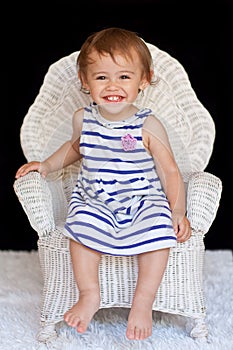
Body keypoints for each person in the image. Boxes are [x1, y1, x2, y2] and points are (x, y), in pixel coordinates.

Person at [15, 27, 191, 341]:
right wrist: (46, 165)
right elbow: (74, 148)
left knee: (160, 229)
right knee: (78, 226)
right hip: (95, 198)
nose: (113, 86)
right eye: (101, 78)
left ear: (143, 80)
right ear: (85, 81)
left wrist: (177, 210)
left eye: (124, 77)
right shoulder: (83, 118)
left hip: (141, 198)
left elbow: (170, 171)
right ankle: (89, 293)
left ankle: (143, 301)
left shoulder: (147, 123)